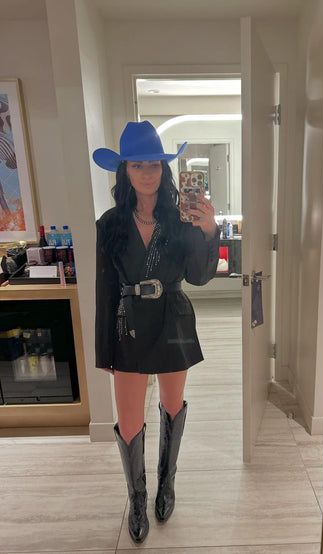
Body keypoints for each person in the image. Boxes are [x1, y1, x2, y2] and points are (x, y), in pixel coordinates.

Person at [93, 121, 220, 544]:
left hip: (173, 318)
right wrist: (104, 350)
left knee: (171, 405)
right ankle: (137, 496)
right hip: (127, 323)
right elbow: (105, 289)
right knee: (129, 419)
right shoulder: (110, 223)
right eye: (138, 165)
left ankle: (167, 483)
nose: (147, 172)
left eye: (154, 164)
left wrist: (207, 230)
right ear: (125, 171)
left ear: (165, 170)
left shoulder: (181, 218)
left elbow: (199, 276)